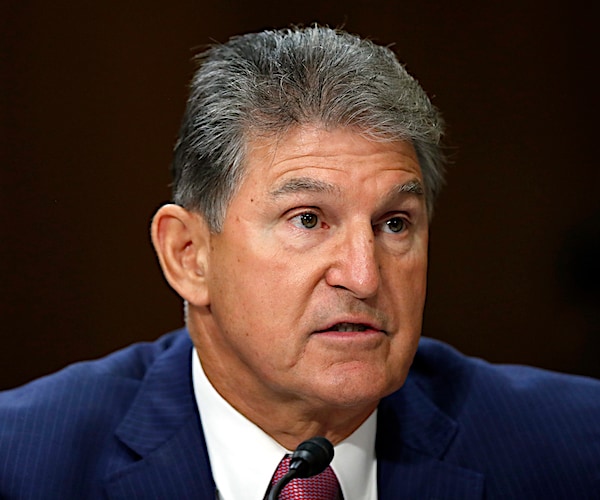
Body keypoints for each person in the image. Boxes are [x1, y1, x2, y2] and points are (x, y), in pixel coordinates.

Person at [1, 25, 599, 500]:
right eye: (308, 219)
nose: (364, 276)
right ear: (189, 256)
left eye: (394, 224)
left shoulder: (577, 448)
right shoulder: (22, 464)